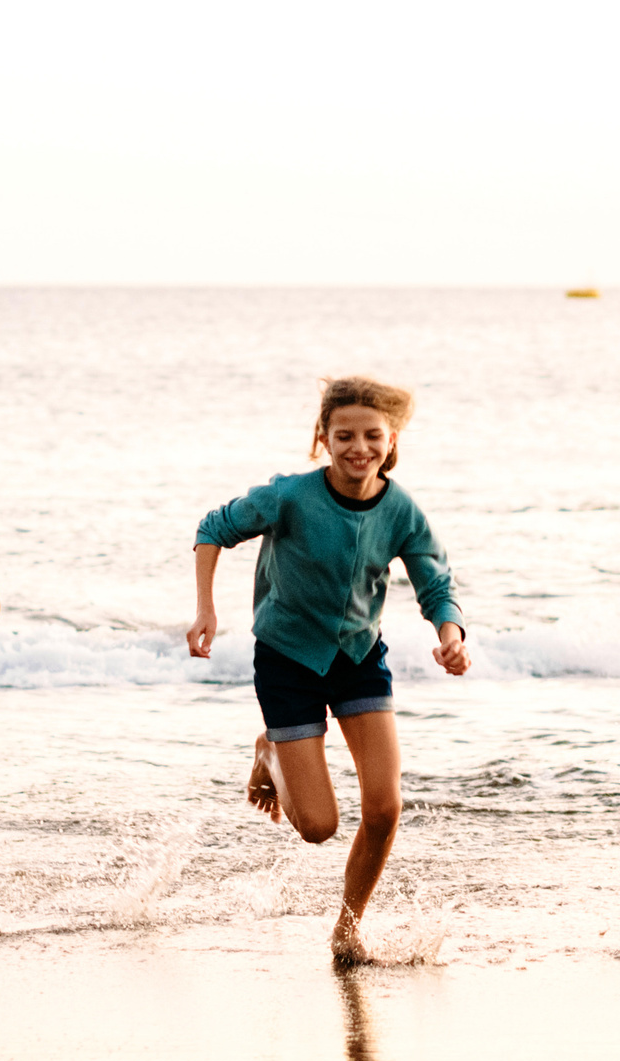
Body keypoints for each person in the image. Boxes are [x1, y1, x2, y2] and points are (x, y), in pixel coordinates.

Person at [187, 376, 469, 965]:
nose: (358, 448)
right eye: (344, 435)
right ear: (323, 438)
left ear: (391, 441)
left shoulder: (401, 510)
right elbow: (214, 528)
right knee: (317, 826)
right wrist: (206, 609)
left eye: (372, 436)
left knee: (385, 808)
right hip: (288, 661)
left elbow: (436, 584)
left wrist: (450, 635)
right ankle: (270, 752)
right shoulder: (291, 496)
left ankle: (348, 926)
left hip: (360, 659)